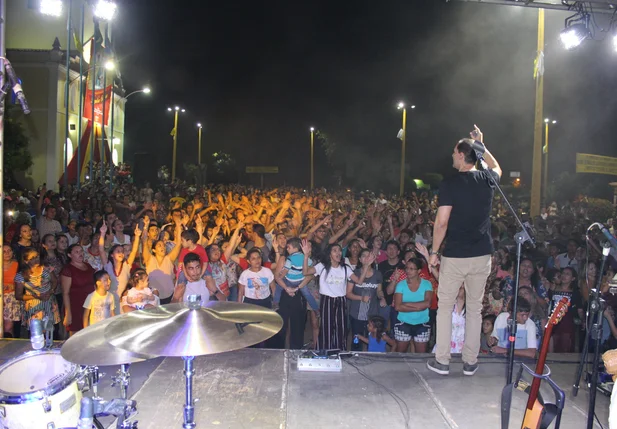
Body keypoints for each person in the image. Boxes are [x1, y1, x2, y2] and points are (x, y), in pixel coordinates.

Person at [428, 125, 502, 377]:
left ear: (461, 154)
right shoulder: (486, 179)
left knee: (446, 306)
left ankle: (443, 361)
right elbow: (497, 168)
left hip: (456, 255)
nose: (451, 155)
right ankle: (470, 361)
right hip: (482, 255)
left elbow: (441, 222)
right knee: (474, 308)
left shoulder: (450, 184)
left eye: (453, 151)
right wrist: (482, 144)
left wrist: (434, 251)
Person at [301, 240, 353, 351]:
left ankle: (339, 351)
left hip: (341, 300)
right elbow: (305, 272)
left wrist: (367, 265)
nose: (338, 252)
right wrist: (306, 255)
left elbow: (359, 280)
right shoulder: (322, 266)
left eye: (339, 250)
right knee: (326, 327)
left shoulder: (345, 268)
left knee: (341, 327)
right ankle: (324, 351)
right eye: (335, 250)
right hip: (327, 300)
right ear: (329, 254)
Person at [15, 247, 60, 335]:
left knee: (52, 331)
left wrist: (50, 291)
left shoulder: (46, 268)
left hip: (49, 302)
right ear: (26, 261)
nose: (36, 260)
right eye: (32, 258)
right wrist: (35, 296)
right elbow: (18, 295)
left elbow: (55, 281)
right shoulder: (21, 275)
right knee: (36, 333)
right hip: (33, 305)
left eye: (37, 257)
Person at [346, 249, 385, 351]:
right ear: (360, 259)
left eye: (369, 255)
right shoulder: (355, 273)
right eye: (364, 256)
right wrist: (361, 298)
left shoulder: (378, 274)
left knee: (371, 340)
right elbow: (348, 294)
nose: (367, 258)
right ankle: (355, 358)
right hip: (356, 313)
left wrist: (382, 297)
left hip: (372, 314)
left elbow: (379, 290)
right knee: (356, 339)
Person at [393, 258, 433, 353]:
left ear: (419, 271)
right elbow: (398, 307)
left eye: (412, 269)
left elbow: (427, 303)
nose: (408, 271)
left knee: (421, 356)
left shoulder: (427, 284)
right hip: (403, 322)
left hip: (422, 323)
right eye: (407, 268)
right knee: (400, 354)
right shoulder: (400, 284)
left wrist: (406, 304)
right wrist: (419, 307)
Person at [60, 244, 95, 336]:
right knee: (76, 336)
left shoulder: (88, 266)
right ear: (69, 255)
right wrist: (68, 314)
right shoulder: (68, 270)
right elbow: (65, 293)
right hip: (75, 306)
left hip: (89, 305)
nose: (80, 254)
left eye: (81, 251)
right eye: (76, 252)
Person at [3, 245, 21, 338]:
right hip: (1, 296)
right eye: (4, 251)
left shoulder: (16, 265)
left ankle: (10, 347)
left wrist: (12, 286)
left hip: (11, 297)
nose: (7, 253)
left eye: (9, 250)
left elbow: (21, 281)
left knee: (9, 327)